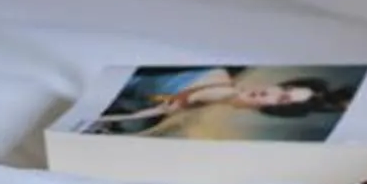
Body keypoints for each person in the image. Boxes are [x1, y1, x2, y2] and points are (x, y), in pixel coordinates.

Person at [79, 67, 347, 134]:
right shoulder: (214, 72)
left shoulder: (196, 124)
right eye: (282, 88)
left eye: (282, 100)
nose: (270, 94)